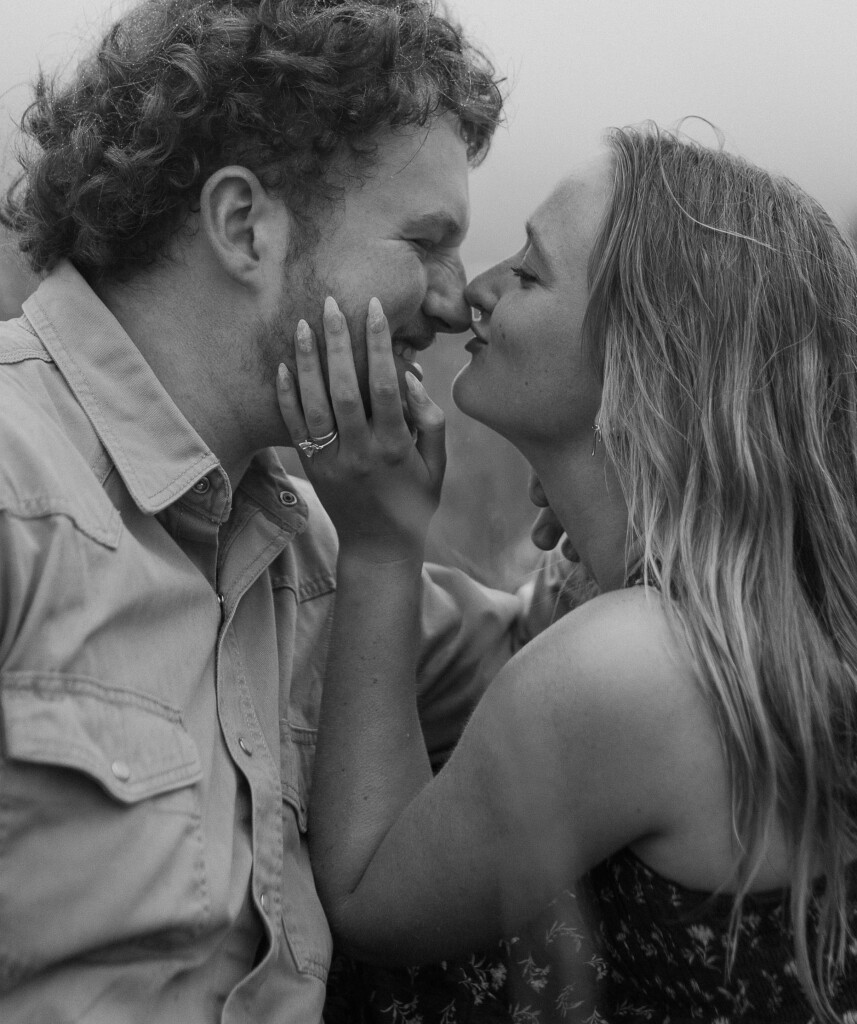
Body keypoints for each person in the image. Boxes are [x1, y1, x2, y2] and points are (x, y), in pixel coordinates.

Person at [0, 2, 575, 1021]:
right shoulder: (18, 486)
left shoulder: (305, 542)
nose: (453, 302)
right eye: (425, 242)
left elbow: (543, 654)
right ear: (241, 226)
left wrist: (615, 466)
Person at [277, 122, 857, 1022]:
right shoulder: (729, 626)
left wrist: (380, 547)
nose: (474, 292)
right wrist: (591, 531)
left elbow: (365, 899)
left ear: (645, 354)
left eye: (528, 272)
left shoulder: (634, 667)